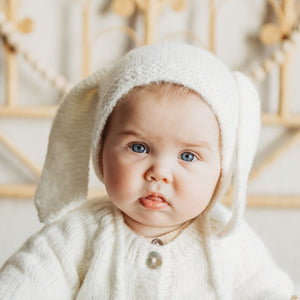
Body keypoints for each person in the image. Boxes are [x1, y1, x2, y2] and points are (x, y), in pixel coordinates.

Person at [0, 43, 297, 299]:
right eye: (138, 148)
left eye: (188, 155)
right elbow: (23, 283)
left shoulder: (228, 240)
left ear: (222, 170)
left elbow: (269, 291)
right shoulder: (76, 235)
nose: (159, 173)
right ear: (100, 149)